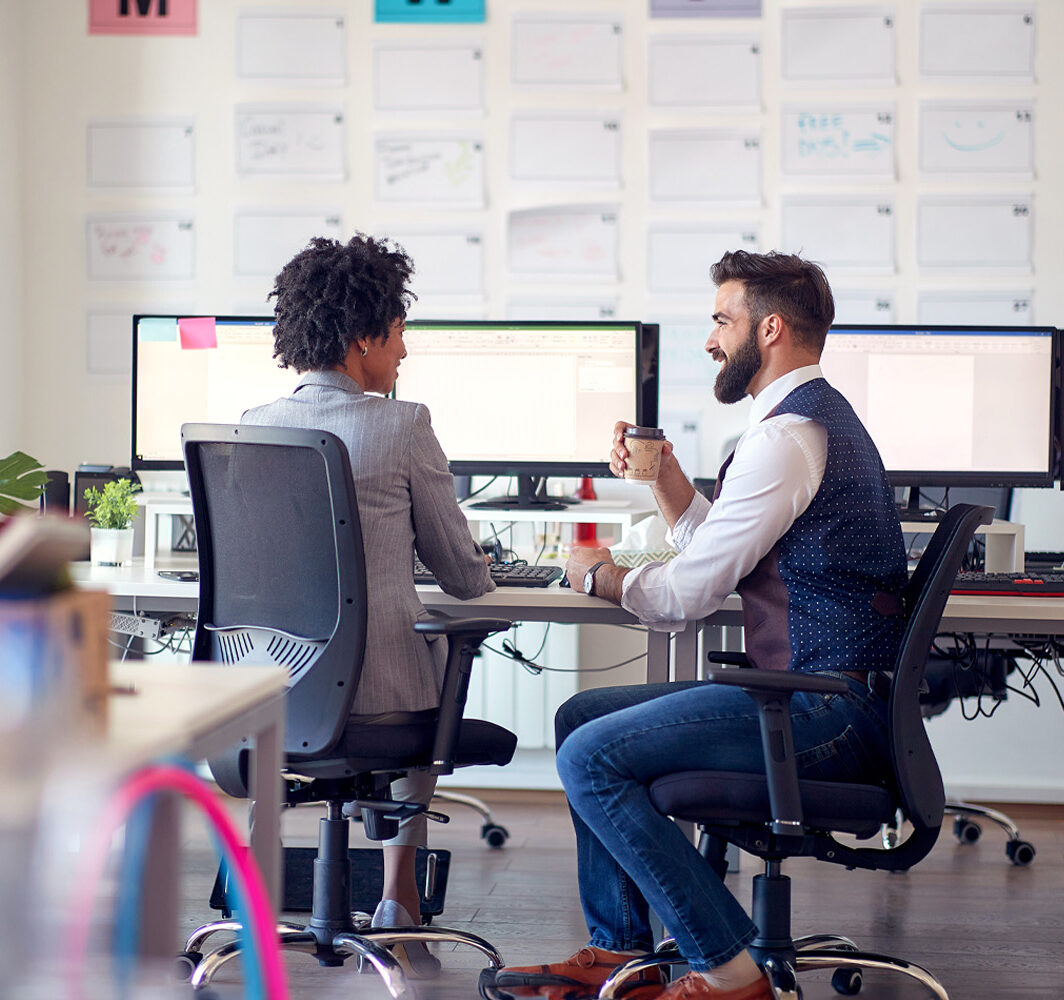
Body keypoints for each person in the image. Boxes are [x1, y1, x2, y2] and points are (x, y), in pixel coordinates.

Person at [492, 250, 908, 1000]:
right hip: (823, 694)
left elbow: (683, 597)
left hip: (823, 711)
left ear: (770, 328)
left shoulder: (785, 440)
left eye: (722, 320)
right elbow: (722, 552)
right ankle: (622, 951)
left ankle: (729, 968)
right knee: (581, 714)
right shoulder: (807, 421)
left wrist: (597, 573)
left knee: (591, 757)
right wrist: (667, 483)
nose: (710, 340)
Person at [243, 234, 493, 978]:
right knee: (440, 644)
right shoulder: (403, 423)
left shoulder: (252, 424)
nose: (404, 354)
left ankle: (252, 899)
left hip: (271, 700)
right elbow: (463, 578)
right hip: (378, 705)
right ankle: (395, 897)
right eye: (399, 334)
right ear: (363, 340)